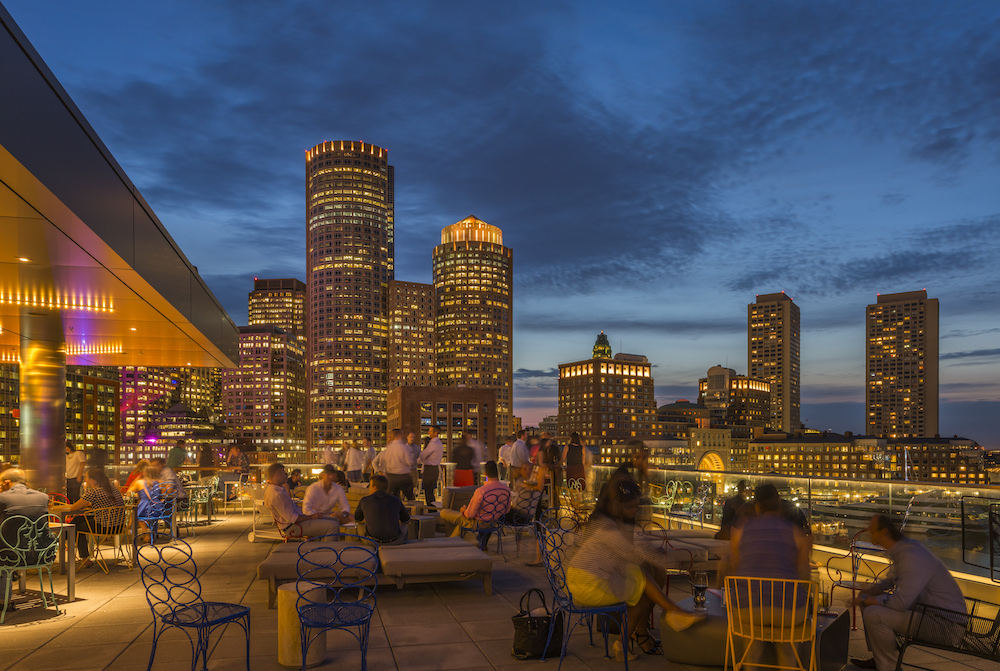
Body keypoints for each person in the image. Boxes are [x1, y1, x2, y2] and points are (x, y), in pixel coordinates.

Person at [566, 474, 701, 662]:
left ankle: (625, 643)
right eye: (629, 507)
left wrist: (656, 556)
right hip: (586, 583)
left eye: (635, 507)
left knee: (640, 581)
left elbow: (634, 550)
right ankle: (674, 612)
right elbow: (632, 552)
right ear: (616, 505)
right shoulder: (606, 526)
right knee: (641, 580)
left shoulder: (612, 522)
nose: (633, 511)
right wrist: (674, 563)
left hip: (588, 577)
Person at [850, 514, 966, 671]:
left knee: (873, 614)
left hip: (945, 625)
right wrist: (872, 591)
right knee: (869, 603)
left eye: (872, 528)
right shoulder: (903, 549)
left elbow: (900, 602)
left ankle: (890, 667)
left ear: (884, 532)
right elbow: (891, 580)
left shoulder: (912, 556)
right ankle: (880, 658)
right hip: (929, 614)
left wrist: (867, 599)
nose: (868, 530)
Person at [0, 469, 51, 607]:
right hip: (41, 554)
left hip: (11, 557)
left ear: (7, 482)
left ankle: (3, 600)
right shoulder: (43, 497)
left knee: (5, 549)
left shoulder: (3, 498)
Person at [66, 468, 126, 569]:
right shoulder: (113, 489)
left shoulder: (94, 492)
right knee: (78, 521)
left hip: (105, 527)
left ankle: (83, 557)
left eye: (86, 478)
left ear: (93, 480)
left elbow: (73, 508)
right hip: (119, 526)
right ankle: (62, 539)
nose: (85, 480)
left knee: (74, 526)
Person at [264, 463, 341, 538]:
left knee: (335, 520)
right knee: (332, 526)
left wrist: (310, 511)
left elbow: (293, 510)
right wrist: (311, 517)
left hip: (297, 522)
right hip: (293, 527)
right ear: (278, 475)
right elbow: (293, 518)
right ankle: (326, 550)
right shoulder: (277, 495)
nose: (286, 475)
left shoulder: (278, 490)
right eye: (285, 473)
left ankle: (321, 546)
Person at [439, 461, 511, 540]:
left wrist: (464, 511)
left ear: (485, 473)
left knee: (444, 512)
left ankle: (452, 542)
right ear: (497, 472)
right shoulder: (506, 490)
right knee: (462, 524)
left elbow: (470, 515)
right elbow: (506, 510)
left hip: (478, 523)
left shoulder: (481, 491)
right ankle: (453, 542)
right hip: (494, 523)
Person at [355, 474, 411, 544]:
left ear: (374, 487)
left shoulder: (365, 500)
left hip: (372, 542)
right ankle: (403, 545)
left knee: (359, 525)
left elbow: (357, 519)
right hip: (394, 542)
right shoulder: (396, 500)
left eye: (370, 486)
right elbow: (407, 520)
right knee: (404, 526)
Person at [373, 429, 415, 500]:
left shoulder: (388, 448)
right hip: (403, 476)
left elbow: (384, 461)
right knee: (410, 497)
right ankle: (410, 510)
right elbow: (410, 462)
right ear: (399, 435)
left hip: (391, 477)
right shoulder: (404, 447)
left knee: (392, 498)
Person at [418, 426, 443, 505]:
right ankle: (432, 509)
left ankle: (431, 509)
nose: (428, 432)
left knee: (428, 492)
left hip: (429, 469)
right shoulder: (439, 443)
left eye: (430, 431)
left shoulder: (433, 443)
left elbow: (423, 455)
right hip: (435, 469)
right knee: (431, 491)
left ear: (435, 433)